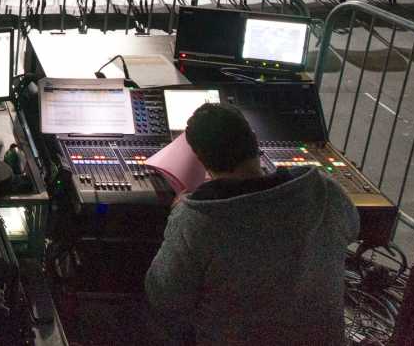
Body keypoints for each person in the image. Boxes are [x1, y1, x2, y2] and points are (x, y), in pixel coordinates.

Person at [145, 103, 358, 346]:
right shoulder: (326, 190)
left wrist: (177, 214)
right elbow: (352, 230)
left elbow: (163, 295)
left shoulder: (195, 219)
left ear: (200, 159)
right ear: (255, 140)